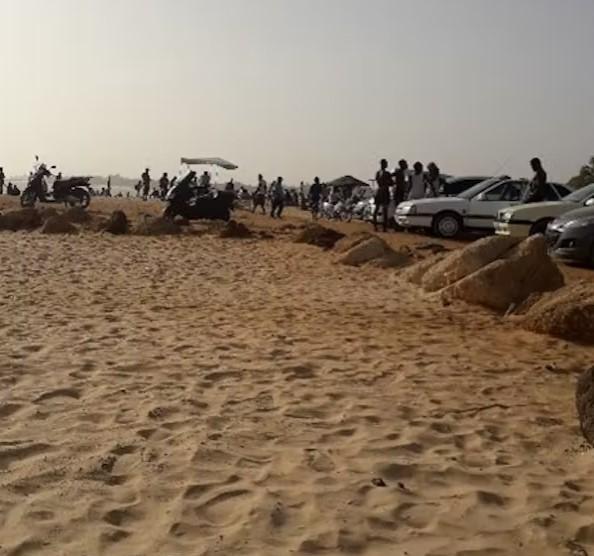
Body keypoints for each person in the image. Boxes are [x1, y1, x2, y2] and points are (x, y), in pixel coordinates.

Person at [374, 159, 393, 232]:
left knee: (377, 209)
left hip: (379, 191)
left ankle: (375, 226)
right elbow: (391, 183)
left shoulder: (378, 173)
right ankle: (384, 228)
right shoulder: (387, 173)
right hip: (385, 191)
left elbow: (378, 181)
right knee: (385, 210)